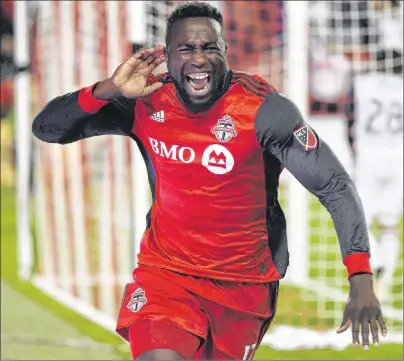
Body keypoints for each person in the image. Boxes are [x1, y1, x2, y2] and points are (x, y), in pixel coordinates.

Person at [32, 3, 387, 360]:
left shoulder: (264, 111)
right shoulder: (146, 101)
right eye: (186, 49)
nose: (198, 59)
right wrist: (107, 89)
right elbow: (47, 129)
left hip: (244, 287)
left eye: (209, 48)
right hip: (166, 273)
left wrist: (360, 280)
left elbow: (335, 186)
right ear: (168, 56)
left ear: (225, 52)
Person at [346, 49, 403, 303]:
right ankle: (386, 280)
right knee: (389, 224)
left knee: (360, 220)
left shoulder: (360, 84)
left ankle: (376, 261)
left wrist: (353, 151)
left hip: (369, 156)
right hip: (398, 157)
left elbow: (349, 118)